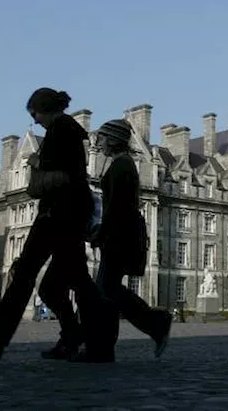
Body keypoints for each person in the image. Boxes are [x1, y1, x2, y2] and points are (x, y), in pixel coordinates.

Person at [0, 88, 105, 362]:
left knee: (25, 273)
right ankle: (78, 336)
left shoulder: (60, 128)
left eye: (34, 115)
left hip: (58, 212)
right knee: (62, 285)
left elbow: (62, 167)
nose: (35, 121)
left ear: (43, 108)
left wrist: (36, 161)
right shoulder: (69, 128)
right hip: (69, 212)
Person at [74, 119, 172, 363]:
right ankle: (103, 349)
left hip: (120, 237)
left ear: (115, 139)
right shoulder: (121, 164)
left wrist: (101, 232)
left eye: (104, 138)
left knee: (106, 291)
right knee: (107, 292)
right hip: (118, 235)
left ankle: (153, 324)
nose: (100, 142)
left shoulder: (122, 166)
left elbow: (118, 209)